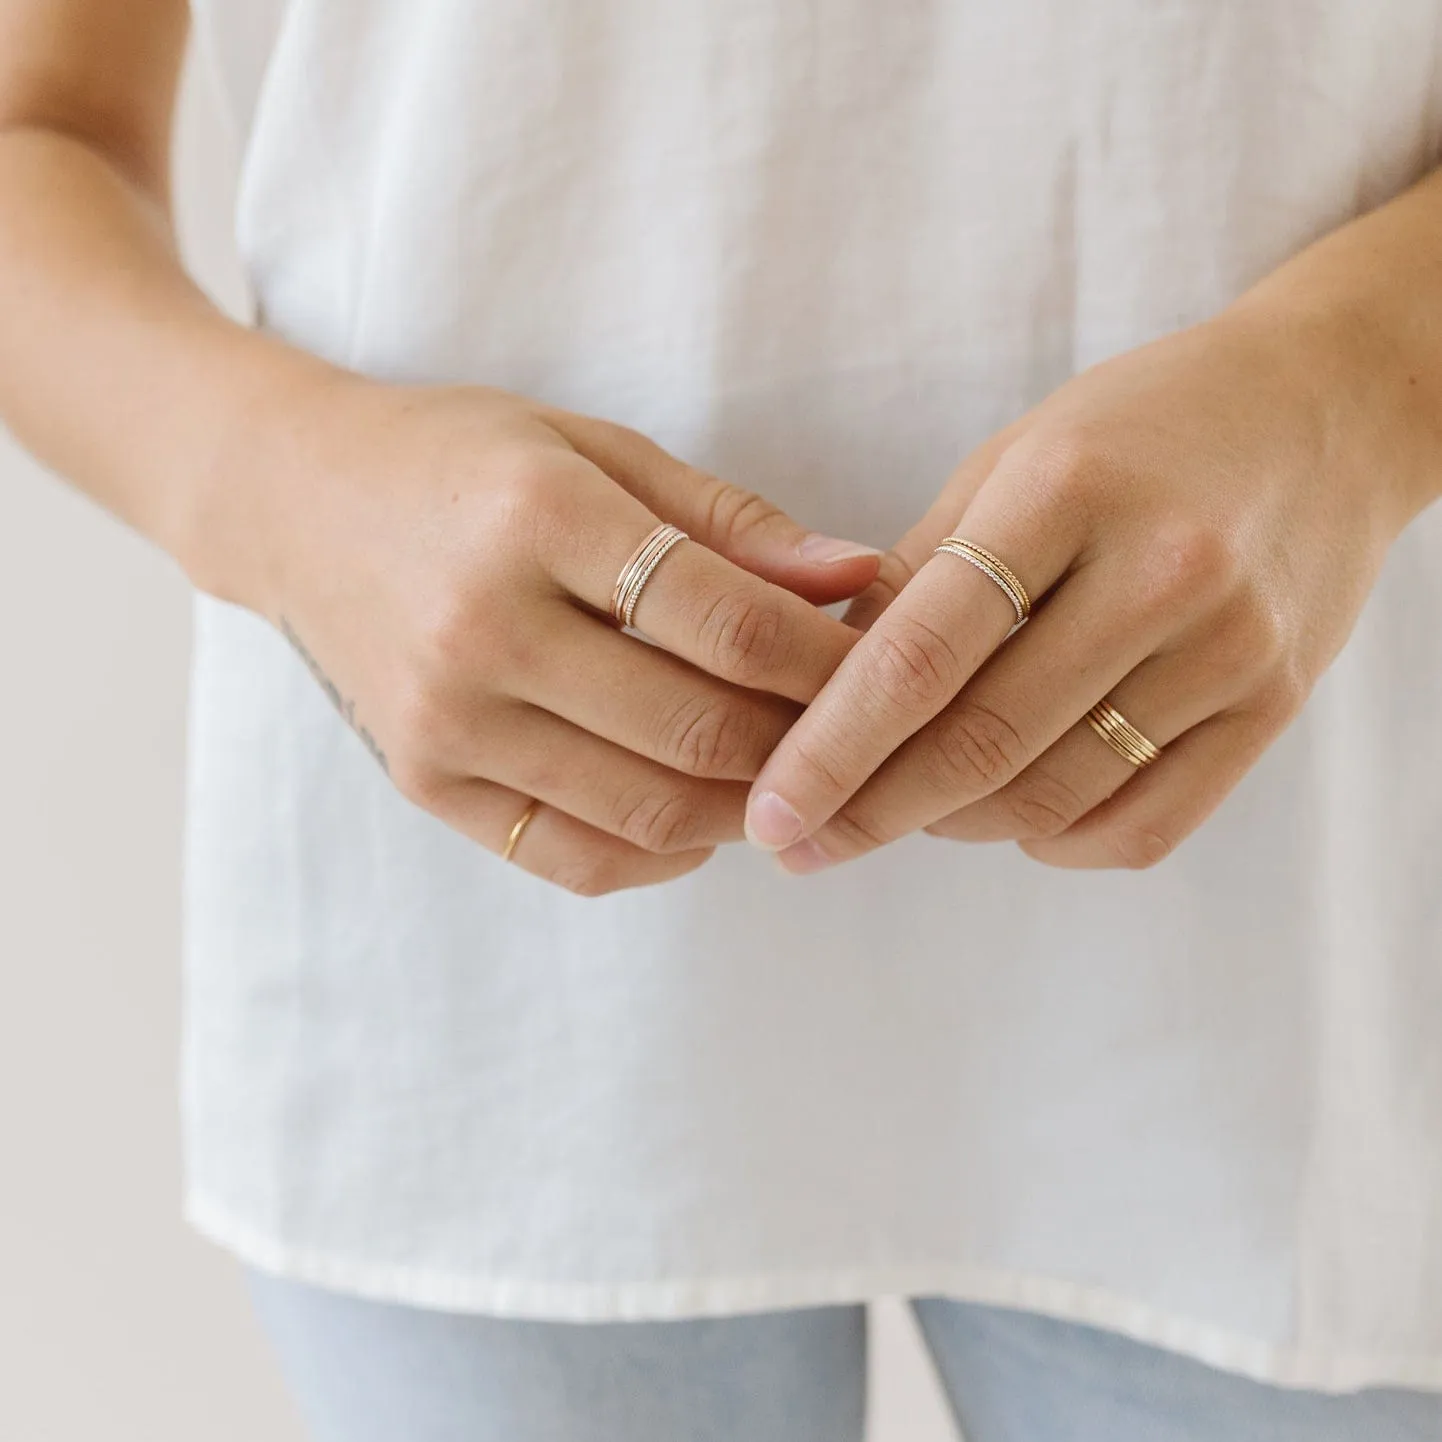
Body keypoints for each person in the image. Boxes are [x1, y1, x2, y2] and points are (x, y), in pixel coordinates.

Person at [2, 1, 1440, 1438]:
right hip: (474, 934)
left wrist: (1359, 382)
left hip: (1300, 897)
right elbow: (32, 132)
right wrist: (277, 481)